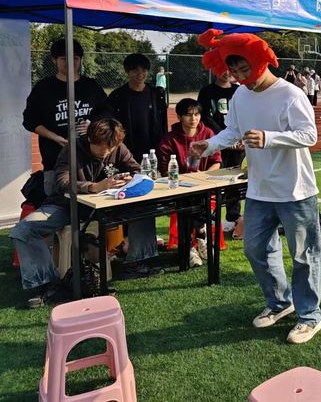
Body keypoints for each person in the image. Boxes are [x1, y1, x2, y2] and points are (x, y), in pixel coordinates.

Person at [190, 29, 321, 344]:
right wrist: (209, 145)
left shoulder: (290, 94)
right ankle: (279, 303)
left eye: (244, 69)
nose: (239, 77)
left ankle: (310, 317)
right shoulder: (240, 96)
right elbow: (233, 130)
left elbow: (309, 135)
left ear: (260, 61)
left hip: (295, 190)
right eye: (234, 71)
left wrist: (269, 138)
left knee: (304, 255)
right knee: (255, 248)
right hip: (259, 189)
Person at [10, 119, 158, 307]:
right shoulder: (71, 150)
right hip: (66, 206)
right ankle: (49, 284)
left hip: (107, 205)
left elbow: (137, 170)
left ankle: (136, 263)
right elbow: (61, 183)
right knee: (23, 230)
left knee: (145, 207)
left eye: (110, 148)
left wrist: (128, 179)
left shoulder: (118, 147)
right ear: (89, 139)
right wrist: (94, 186)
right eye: (100, 147)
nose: (106, 152)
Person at [23, 38, 109, 196]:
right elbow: (30, 120)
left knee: (93, 205)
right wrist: (56, 138)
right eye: (64, 58)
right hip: (54, 161)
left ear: (80, 59)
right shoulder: (43, 88)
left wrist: (92, 126)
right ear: (54, 60)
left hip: (90, 163)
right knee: (56, 205)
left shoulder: (91, 86)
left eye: (75, 58)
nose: (70, 62)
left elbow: (107, 114)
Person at [157, 98, 222, 267]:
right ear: (179, 116)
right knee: (188, 204)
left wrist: (203, 176)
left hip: (204, 184)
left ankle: (199, 237)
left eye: (197, 114)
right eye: (188, 115)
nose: (193, 118)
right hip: (180, 188)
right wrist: (185, 180)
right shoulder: (170, 139)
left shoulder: (208, 134)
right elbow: (165, 169)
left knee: (203, 200)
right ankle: (193, 243)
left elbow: (216, 161)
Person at [198, 70, 245, 236]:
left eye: (229, 69)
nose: (225, 73)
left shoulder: (239, 90)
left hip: (237, 145)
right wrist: (223, 138)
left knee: (235, 181)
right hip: (217, 143)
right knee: (214, 181)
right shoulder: (207, 92)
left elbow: (244, 116)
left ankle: (233, 217)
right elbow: (205, 117)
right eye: (221, 69)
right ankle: (208, 217)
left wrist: (239, 139)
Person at [107, 53, 168, 162]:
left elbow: (163, 124)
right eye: (135, 70)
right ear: (127, 71)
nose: (140, 74)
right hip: (127, 152)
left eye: (144, 70)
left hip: (153, 152)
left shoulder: (156, 95)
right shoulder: (117, 96)